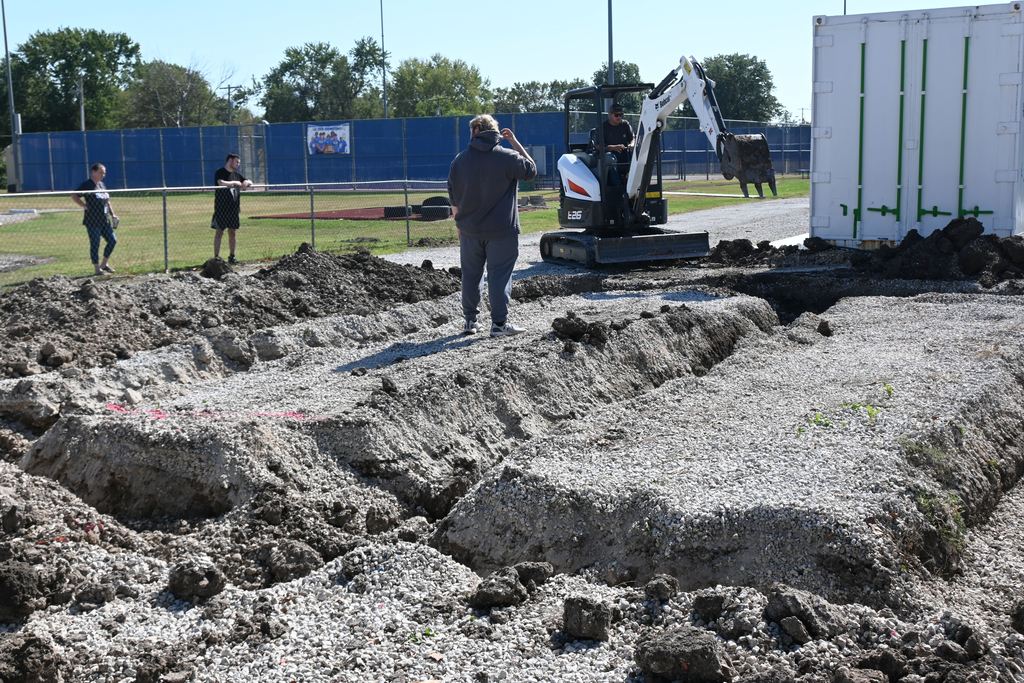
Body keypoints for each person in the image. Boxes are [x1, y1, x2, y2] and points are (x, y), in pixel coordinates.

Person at [448, 114, 537, 337]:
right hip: (501, 231)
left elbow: (453, 197)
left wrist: (459, 224)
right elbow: (531, 170)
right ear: (494, 132)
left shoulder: (459, 160)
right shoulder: (508, 157)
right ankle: (498, 324)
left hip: (469, 230)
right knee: (498, 276)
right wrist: (515, 143)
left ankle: (470, 321)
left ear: (475, 131)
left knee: (470, 275)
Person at [71, 163, 118, 275]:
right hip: (92, 221)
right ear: (93, 172)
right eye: (101, 172)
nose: (103, 175)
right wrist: (84, 206)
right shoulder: (87, 184)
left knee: (112, 240)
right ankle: (97, 268)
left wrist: (113, 214)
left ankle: (104, 264)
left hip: (104, 220)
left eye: (104, 172)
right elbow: (74, 195)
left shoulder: (101, 184)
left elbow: (107, 201)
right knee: (95, 243)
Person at [211, 153, 253, 264]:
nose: (238, 164)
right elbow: (221, 183)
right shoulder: (220, 172)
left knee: (232, 232)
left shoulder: (237, 175)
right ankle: (216, 258)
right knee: (219, 232)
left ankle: (232, 256)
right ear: (230, 160)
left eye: (239, 162)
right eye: (236, 162)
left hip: (234, 210)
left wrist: (246, 183)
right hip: (221, 209)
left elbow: (248, 181)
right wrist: (234, 183)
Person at [600, 102, 635, 182]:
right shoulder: (603, 127)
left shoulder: (625, 124)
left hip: (625, 155)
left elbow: (632, 138)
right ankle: (617, 186)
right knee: (610, 158)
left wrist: (631, 144)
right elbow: (598, 146)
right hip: (610, 157)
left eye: (621, 115)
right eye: (616, 115)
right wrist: (613, 147)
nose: (619, 117)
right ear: (609, 115)